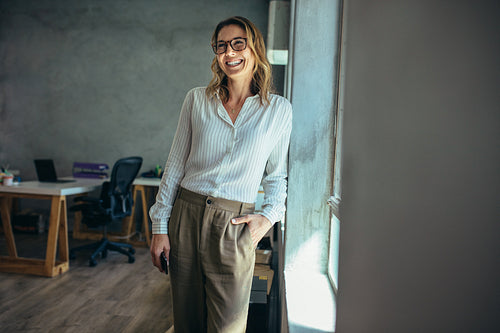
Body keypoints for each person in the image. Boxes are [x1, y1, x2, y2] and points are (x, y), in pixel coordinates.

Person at [149, 16, 292, 333]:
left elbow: (276, 176)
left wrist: (268, 217)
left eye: (238, 43)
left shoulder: (279, 110)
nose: (229, 53)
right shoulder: (197, 99)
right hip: (186, 216)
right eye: (221, 46)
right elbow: (175, 165)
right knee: (187, 322)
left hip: (234, 225)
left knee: (229, 326)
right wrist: (160, 226)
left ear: (254, 48)